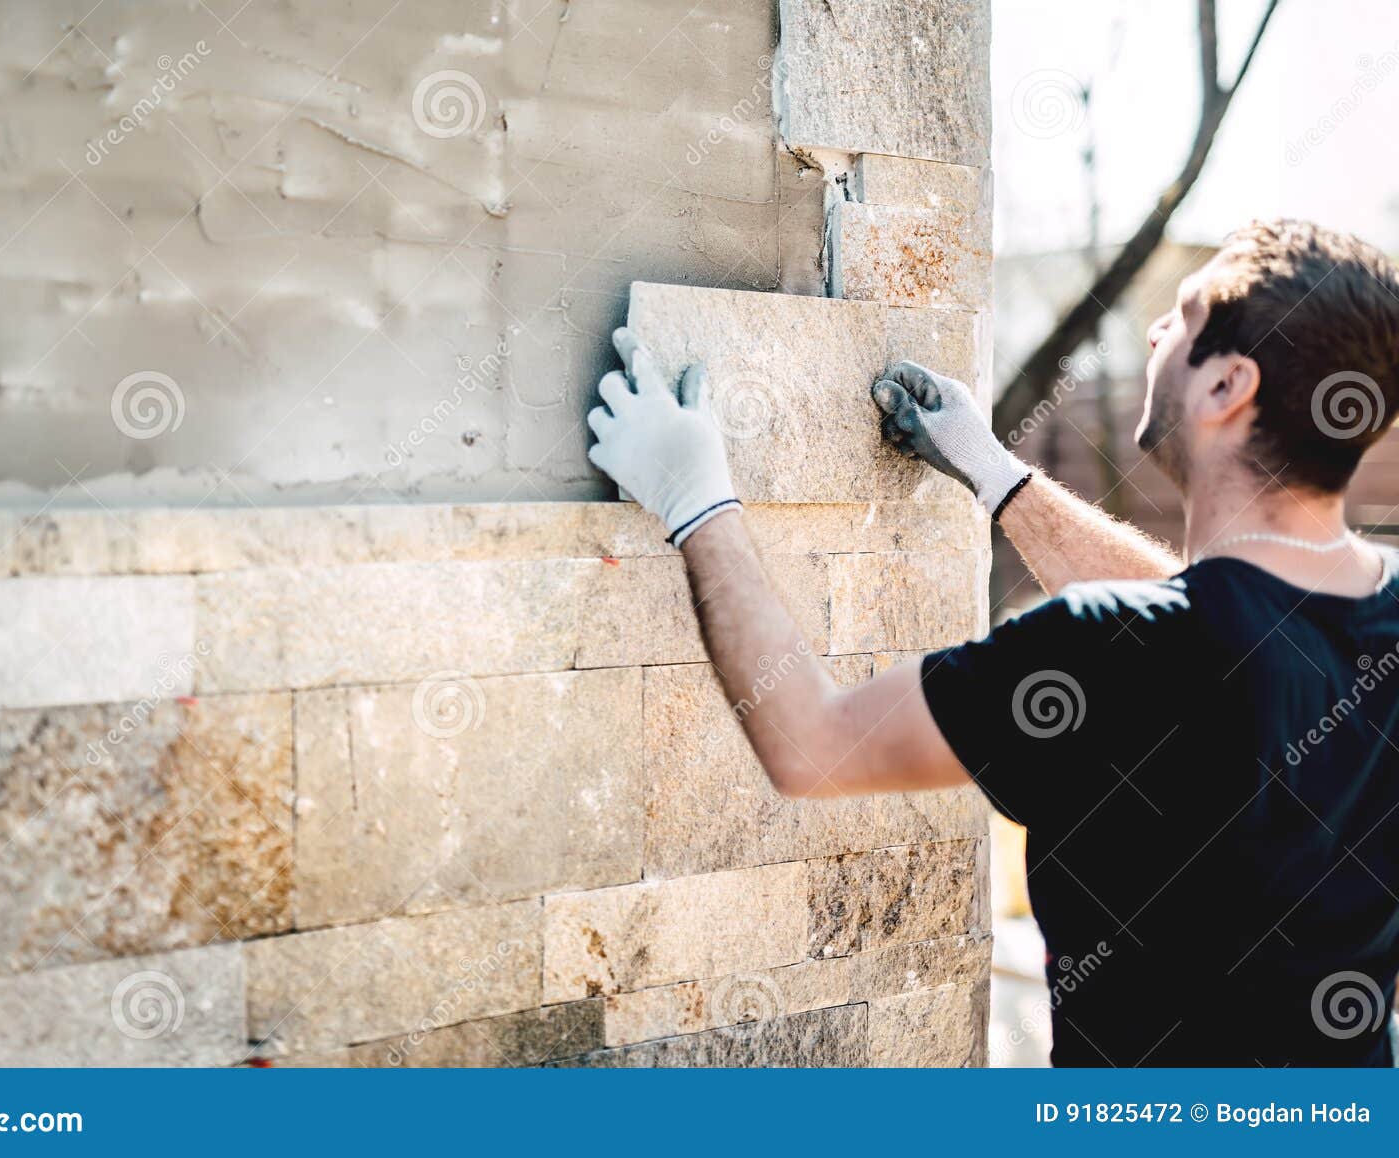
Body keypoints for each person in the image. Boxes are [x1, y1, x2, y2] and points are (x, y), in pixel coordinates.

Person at [585, 218, 1399, 1066]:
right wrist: (997, 475)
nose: (1159, 328)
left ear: (1228, 383)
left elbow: (813, 742)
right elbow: (1226, 622)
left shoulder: (1105, 648)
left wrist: (695, 500)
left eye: (1184, 317)